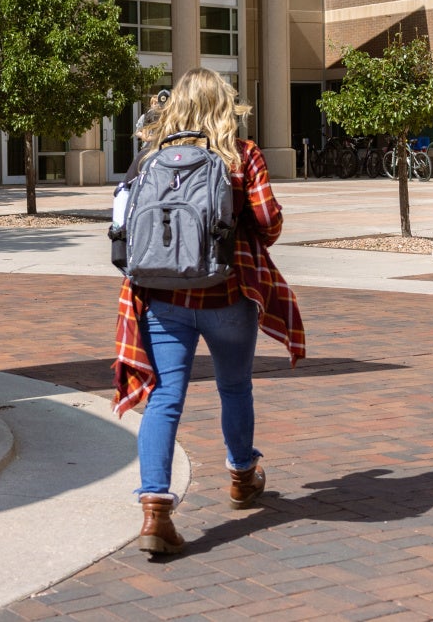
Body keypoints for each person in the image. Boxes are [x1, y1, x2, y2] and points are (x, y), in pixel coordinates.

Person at [113, 69, 305, 557]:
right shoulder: (242, 155)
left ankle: (155, 511)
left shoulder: (150, 157)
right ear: (226, 107)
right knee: (234, 386)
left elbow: (123, 225)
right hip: (228, 293)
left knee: (164, 400)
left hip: (162, 297)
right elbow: (269, 223)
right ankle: (242, 477)